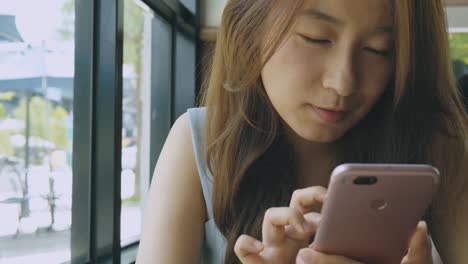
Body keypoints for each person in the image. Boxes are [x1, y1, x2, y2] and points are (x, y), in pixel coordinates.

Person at [136, 0, 468, 263]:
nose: (342, 82)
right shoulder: (200, 142)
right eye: (315, 37)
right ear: (251, 27)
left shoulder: (436, 147)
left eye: (378, 49)